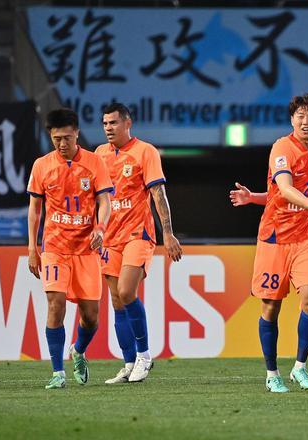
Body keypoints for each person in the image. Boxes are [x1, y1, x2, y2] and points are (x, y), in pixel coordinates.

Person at [250, 93, 308, 393]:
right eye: (300, 116)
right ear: (292, 120)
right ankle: (272, 373)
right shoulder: (282, 148)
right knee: (270, 306)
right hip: (275, 237)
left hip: (305, 237)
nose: (305, 121)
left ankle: (300, 367)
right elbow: (285, 189)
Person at [95, 103, 182, 383]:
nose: (108, 128)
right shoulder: (99, 154)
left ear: (127, 123)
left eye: (113, 123)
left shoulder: (146, 151)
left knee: (126, 291)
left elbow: (158, 194)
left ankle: (144, 355)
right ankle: (129, 362)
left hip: (138, 234)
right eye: (105, 123)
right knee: (116, 300)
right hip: (110, 237)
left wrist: (168, 233)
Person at [27, 108, 113, 389]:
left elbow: (105, 201)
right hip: (55, 247)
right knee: (56, 304)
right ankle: (57, 372)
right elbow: (35, 210)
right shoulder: (42, 165)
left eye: (66, 138)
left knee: (91, 316)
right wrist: (32, 248)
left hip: (86, 249)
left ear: (76, 133)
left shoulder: (94, 163)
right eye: (56, 139)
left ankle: (78, 350)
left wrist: (100, 228)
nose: (62, 144)